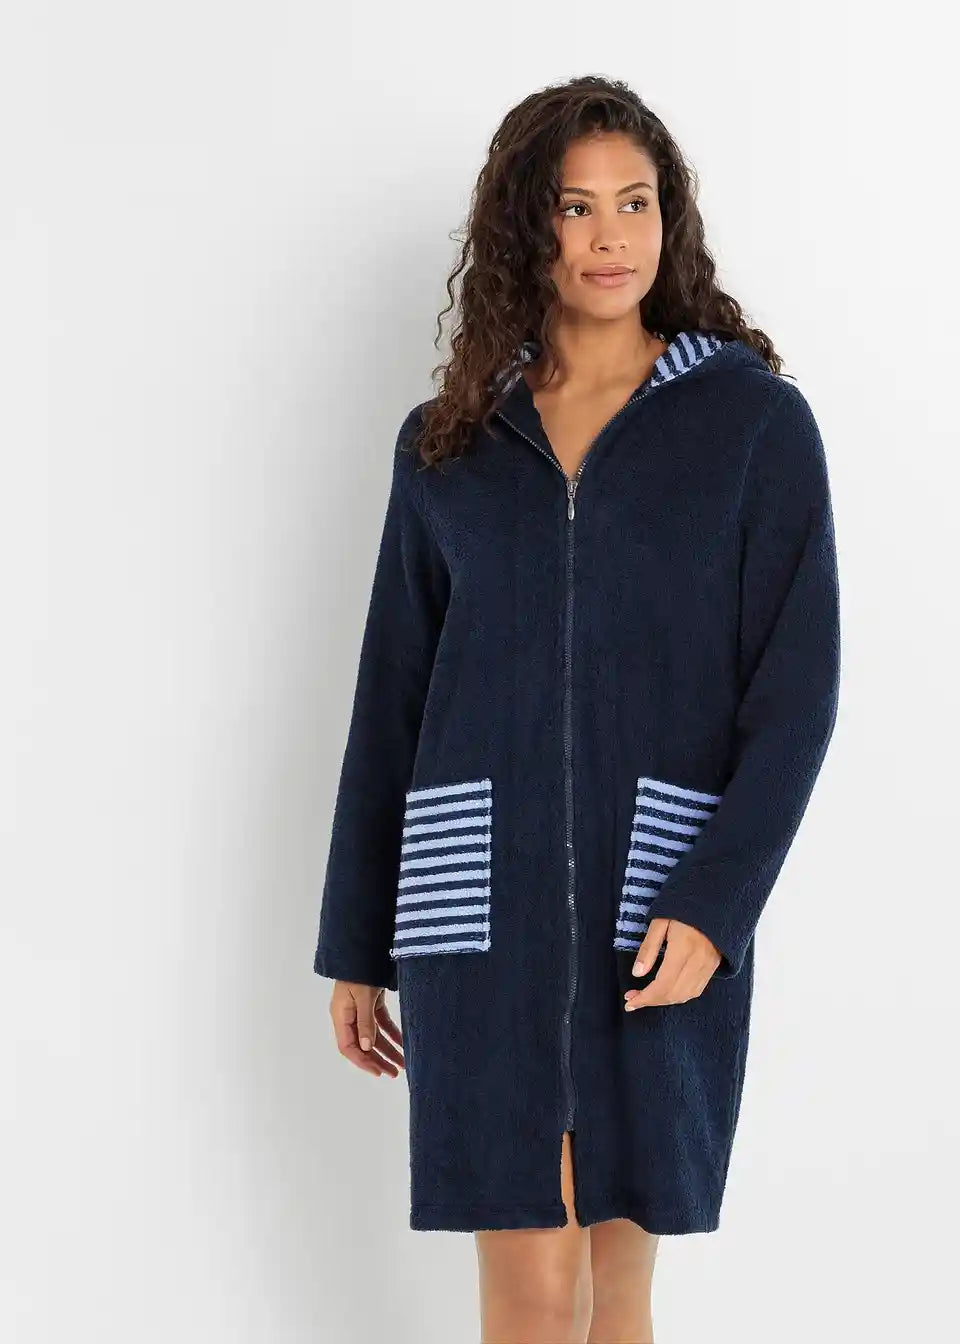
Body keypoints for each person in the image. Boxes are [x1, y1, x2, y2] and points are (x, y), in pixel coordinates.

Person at [312, 74, 841, 1344]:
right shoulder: (449, 443)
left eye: (635, 203)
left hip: (657, 915)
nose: (611, 236)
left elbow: (797, 695)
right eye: (575, 206)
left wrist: (714, 905)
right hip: (476, 916)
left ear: (671, 218)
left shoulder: (753, 427)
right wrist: (356, 940)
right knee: (532, 1289)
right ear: (525, 228)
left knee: (618, 1283)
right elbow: (392, 697)